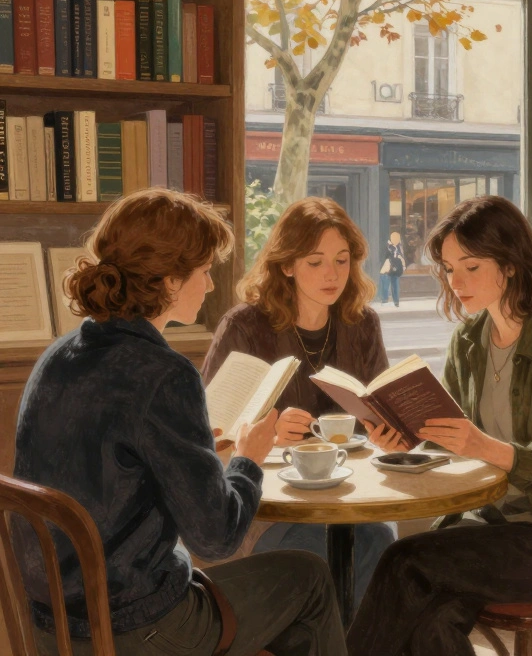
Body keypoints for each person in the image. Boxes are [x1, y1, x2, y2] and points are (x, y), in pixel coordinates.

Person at [14, 188, 345, 656]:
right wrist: (247, 459)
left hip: (55, 629)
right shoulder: (164, 374)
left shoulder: (58, 357)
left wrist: (194, 455)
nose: (210, 285)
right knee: (307, 577)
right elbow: (218, 536)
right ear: (169, 281)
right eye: (205, 271)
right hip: (138, 630)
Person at [347, 195, 532, 656]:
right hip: (491, 520)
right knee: (430, 619)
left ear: (511, 264)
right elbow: (454, 445)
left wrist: (488, 447)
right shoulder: (467, 342)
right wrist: (403, 441)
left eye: (471, 267)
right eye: (449, 268)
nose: (456, 282)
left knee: (404, 560)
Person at [203, 197, 394, 604]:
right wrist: (264, 431)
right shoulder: (245, 326)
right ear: (287, 265)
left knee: (380, 542)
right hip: (268, 507)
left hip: (350, 497)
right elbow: (208, 435)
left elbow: (381, 408)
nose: (332, 274)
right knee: (319, 552)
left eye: (342, 261)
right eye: (315, 261)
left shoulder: (361, 324)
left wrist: (389, 425)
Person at [378, 231, 405, 307]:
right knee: (385, 285)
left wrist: (402, 265)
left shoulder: (399, 247)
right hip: (386, 269)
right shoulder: (387, 246)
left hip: (395, 269)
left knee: (395, 285)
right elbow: (383, 257)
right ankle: (384, 300)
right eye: (395, 238)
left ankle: (396, 301)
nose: (397, 240)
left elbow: (402, 257)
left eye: (398, 238)